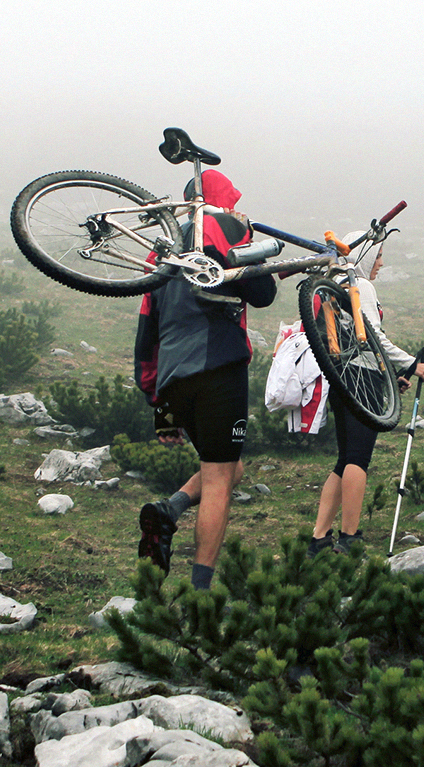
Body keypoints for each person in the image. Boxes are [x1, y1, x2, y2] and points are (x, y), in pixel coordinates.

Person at [134, 170, 278, 590]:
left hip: (173, 378)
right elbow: (263, 294)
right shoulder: (222, 224)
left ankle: (168, 510)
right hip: (218, 368)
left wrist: (159, 406)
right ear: (218, 198)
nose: (236, 205)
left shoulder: (161, 251)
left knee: (231, 469)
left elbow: (147, 328)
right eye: (232, 198)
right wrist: (252, 246)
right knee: (219, 480)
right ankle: (201, 593)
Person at [307, 241, 424, 554]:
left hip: (341, 378)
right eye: (380, 256)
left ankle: (319, 538)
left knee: (344, 459)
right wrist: (411, 364)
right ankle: (350, 538)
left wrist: (389, 378)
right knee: (359, 458)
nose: (381, 263)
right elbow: (373, 336)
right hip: (364, 378)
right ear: (366, 256)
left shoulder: (333, 285)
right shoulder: (361, 286)